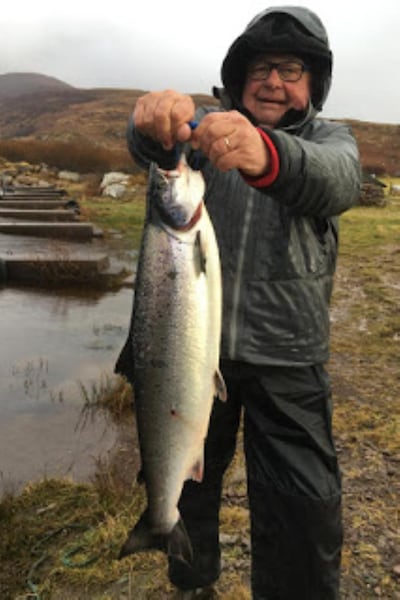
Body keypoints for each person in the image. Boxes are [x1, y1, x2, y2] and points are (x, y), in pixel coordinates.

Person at [116, 6, 361, 599]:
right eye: (260, 67)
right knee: (187, 483)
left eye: (291, 68)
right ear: (238, 73)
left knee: (301, 507)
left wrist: (265, 155)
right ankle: (189, 577)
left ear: (314, 82)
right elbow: (152, 152)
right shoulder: (206, 136)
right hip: (197, 358)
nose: (273, 80)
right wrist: (149, 123)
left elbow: (338, 180)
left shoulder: (331, 140)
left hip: (289, 354)